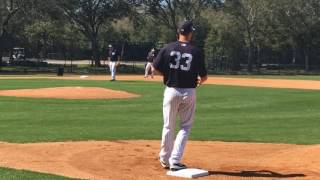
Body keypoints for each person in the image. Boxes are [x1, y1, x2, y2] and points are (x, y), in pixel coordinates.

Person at [153, 20, 208, 171]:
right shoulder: (196, 51)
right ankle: (175, 160)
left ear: (178, 32)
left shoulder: (168, 48)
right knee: (185, 126)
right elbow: (204, 77)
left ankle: (165, 158)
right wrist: (198, 81)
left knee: (168, 126)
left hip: (171, 91)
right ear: (190, 33)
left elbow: (154, 69)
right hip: (189, 91)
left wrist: (168, 74)